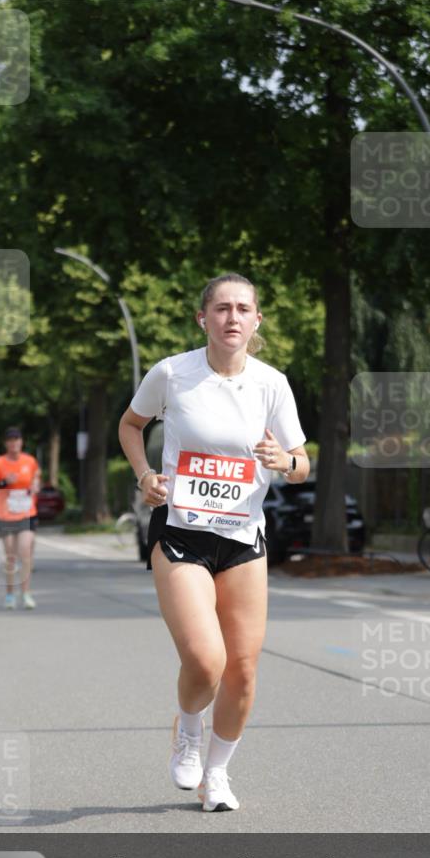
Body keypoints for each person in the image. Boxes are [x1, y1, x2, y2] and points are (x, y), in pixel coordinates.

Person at [118, 273, 310, 812]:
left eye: (242, 308)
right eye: (221, 308)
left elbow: (301, 463)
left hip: (243, 540)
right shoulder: (173, 374)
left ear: (256, 321)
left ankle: (217, 775)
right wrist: (144, 475)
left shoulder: (272, 384)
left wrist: (284, 462)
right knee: (206, 662)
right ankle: (187, 729)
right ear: (203, 318)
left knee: (243, 671)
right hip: (181, 534)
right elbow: (130, 426)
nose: (232, 317)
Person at [0, 427, 41, 610]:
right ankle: (10, 594)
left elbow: (36, 477)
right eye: (10, 440)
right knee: (10, 557)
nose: (14, 443)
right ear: (6, 443)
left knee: (25, 553)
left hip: (27, 513)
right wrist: (4, 482)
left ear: (21, 442)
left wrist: (35, 485)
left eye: (16, 439)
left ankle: (26, 593)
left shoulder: (30, 461)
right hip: (6, 515)